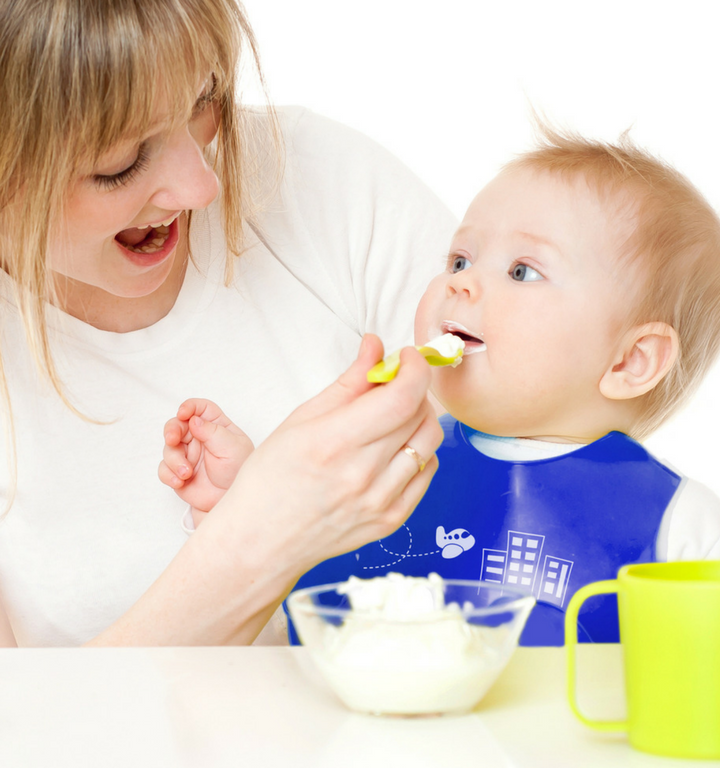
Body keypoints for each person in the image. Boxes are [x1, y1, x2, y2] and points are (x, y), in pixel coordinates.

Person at [0, 0, 456, 647]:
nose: (201, 187)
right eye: (120, 163)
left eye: (203, 99)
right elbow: (26, 710)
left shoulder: (322, 180)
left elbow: (548, 407)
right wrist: (262, 534)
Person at [164, 125, 720, 645]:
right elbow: (286, 608)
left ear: (631, 361)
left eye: (522, 271)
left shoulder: (682, 526)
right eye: (458, 260)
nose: (462, 283)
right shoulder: (385, 463)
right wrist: (240, 504)